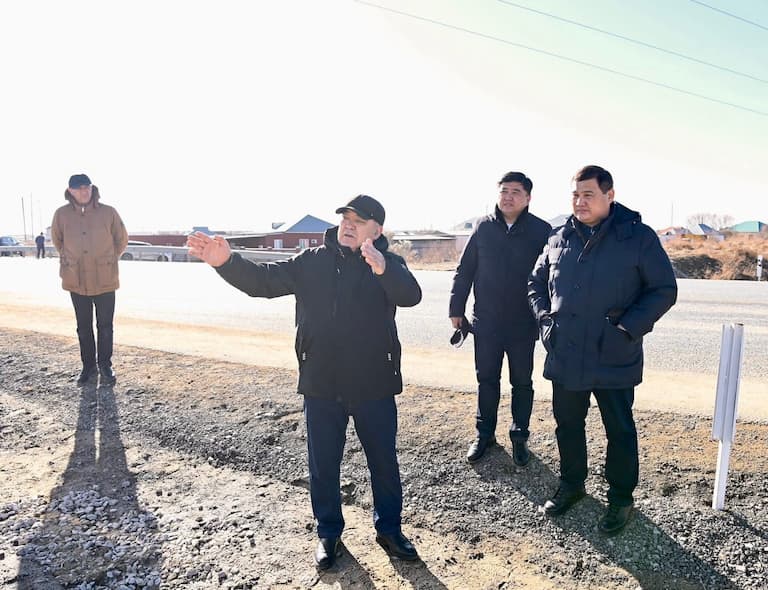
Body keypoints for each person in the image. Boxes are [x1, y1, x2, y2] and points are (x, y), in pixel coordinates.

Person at [187, 194, 422, 571]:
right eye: (345, 218)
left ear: (376, 230)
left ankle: (390, 530)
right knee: (323, 466)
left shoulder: (388, 264)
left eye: (359, 221)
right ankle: (328, 533)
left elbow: (410, 295)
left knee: (383, 462)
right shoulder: (311, 261)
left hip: (374, 383)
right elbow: (263, 282)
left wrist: (383, 270)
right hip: (321, 382)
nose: (348, 225)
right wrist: (227, 263)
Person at [528, 165, 677, 535]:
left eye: (588, 195)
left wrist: (627, 327)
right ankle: (572, 485)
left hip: (613, 353)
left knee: (619, 430)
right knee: (568, 425)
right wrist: (546, 321)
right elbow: (536, 282)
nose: (580, 202)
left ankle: (621, 499)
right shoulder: (559, 236)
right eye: (576, 195)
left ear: (610, 196)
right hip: (566, 352)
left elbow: (663, 289)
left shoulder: (637, 237)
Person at [449, 171, 551, 466]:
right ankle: (485, 435)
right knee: (486, 380)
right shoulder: (483, 227)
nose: (508, 197)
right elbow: (465, 270)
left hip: (523, 323)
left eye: (515, 192)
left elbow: (550, 277)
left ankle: (520, 437)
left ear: (528, 198)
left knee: (522, 382)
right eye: (504, 191)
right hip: (486, 321)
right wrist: (456, 308)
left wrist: (546, 315)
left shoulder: (541, 230)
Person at [51, 174, 128, 387]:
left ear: (92, 188)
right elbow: (58, 241)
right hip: (76, 279)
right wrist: (70, 259)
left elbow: (121, 239)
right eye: (79, 188)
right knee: (83, 327)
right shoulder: (61, 214)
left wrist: (109, 259)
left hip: (105, 278)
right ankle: (88, 367)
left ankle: (105, 365)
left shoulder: (108, 212)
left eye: (87, 187)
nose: (84, 191)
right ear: (70, 191)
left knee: (105, 326)